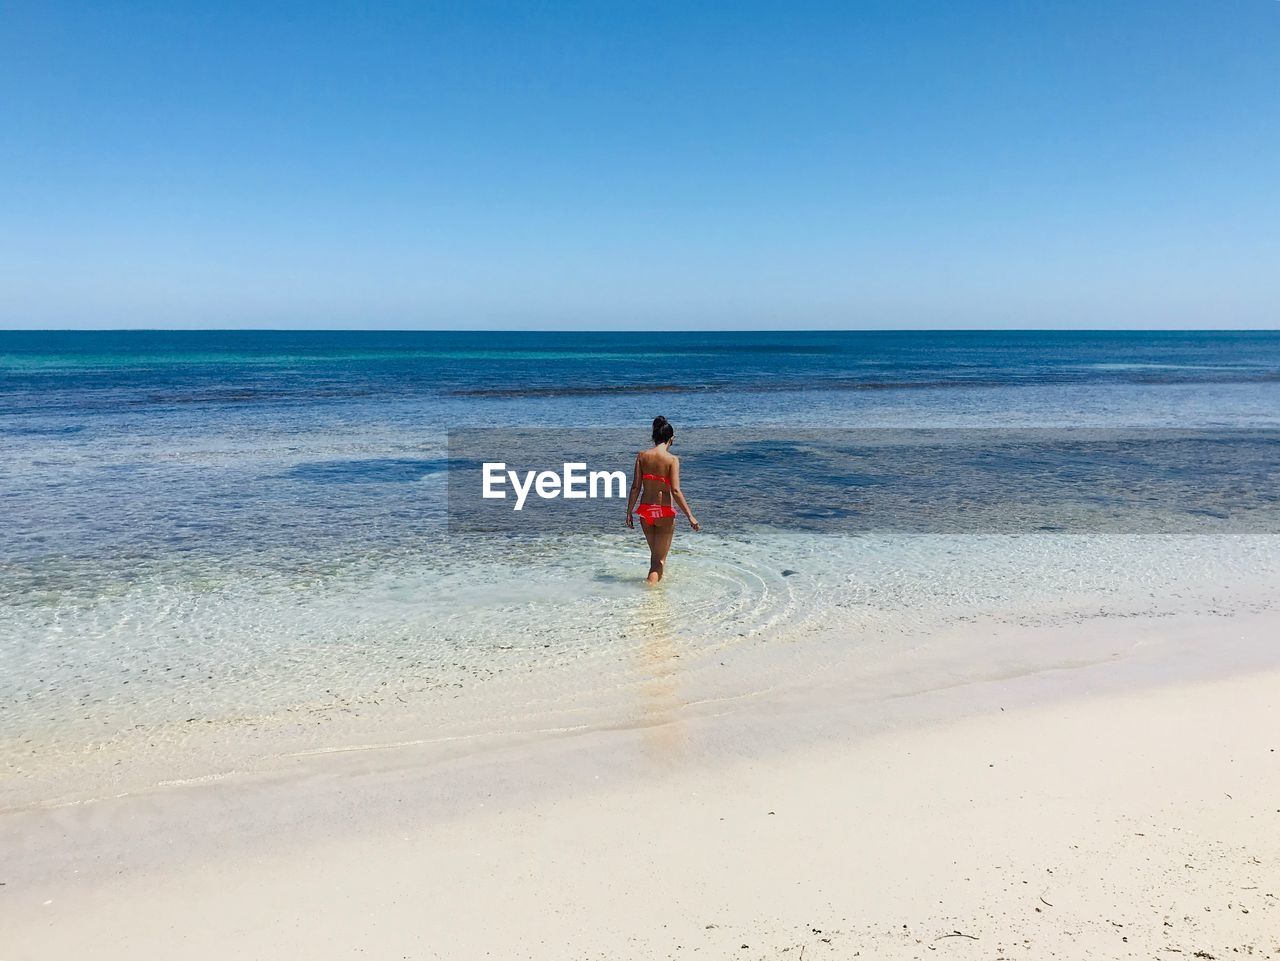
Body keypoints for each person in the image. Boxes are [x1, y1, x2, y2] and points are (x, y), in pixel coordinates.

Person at [626, 416, 700, 584]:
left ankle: (657, 594)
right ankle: (651, 599)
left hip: (645, 512)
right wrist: (690, 516)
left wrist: (629, 512)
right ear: (670, 439)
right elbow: (675, 490)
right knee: (658, 561)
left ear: (654, 436)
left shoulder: (642, 456)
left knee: (656, 558)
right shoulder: (671, 460)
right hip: (664, 513)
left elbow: (636, 487)